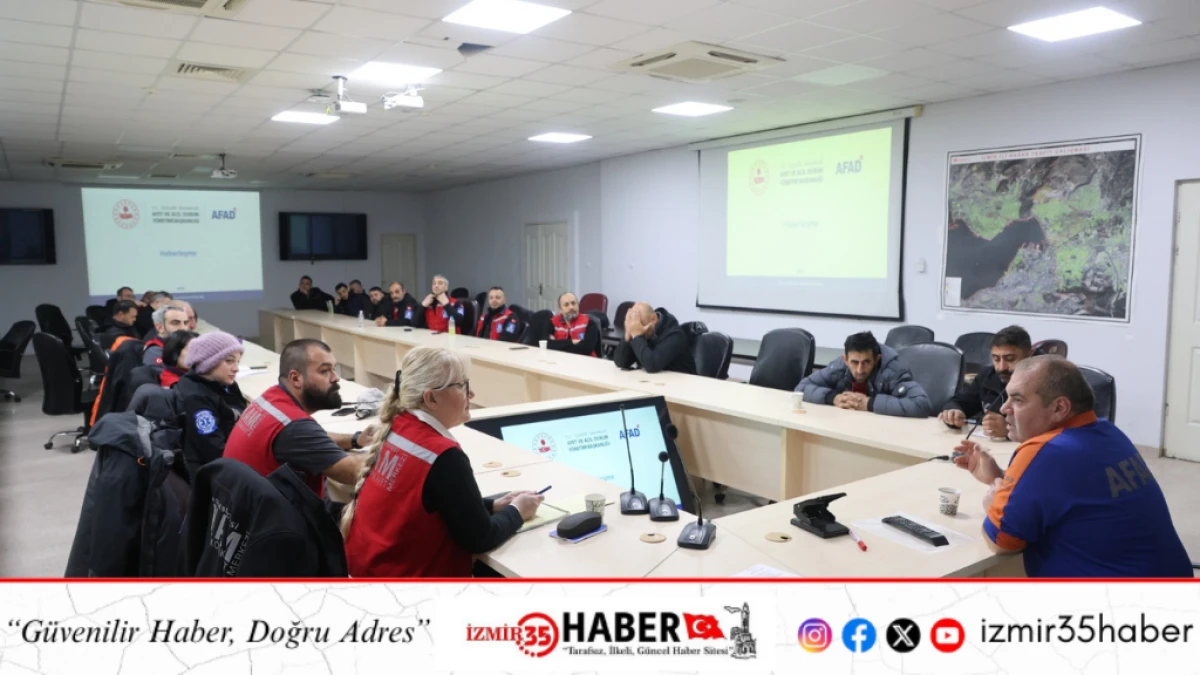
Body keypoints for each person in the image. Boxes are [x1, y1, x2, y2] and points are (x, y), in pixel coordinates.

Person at [954, 356, 1191, 577]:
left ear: (1059, 408)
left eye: (1018, 400)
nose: (1004, 408)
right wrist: (997, 477)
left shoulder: (1044, 451)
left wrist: (993, 503)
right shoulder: (1109, 432)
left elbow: (1002, 541)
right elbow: (1063, 494)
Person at [341, 346, 543, 577]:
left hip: (370, 571)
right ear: (431, 398)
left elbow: (432, 502)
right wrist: (518, 511)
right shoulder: (443, 456)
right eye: (462, 385)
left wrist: (490, 506)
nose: (471, 394)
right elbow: (480, 538)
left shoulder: (399, 426)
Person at [223, 339, 369, 498]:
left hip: (245, 506)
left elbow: (313, 438)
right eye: (325, 371)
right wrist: (387, 448)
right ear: (295, 379)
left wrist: (355, 439)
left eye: (334, 369)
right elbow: (353, 472)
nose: (336, 377)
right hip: (276, 513)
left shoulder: (271, 399)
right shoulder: (294, 427)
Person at [797, 331, 932, 418]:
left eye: (866, 362)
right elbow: (801, 387)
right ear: (845, 360)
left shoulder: (893, 370)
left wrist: (870, 403)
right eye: (854, 362)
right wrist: (833, 398)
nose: (860, 370)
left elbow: (921, 404)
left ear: (877, 359)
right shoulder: (839, 366)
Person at [175, 332, 246, 482]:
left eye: (238, 362)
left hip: (234, 454)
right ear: (208, 362)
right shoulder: (196, 397)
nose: (236, 368)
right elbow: (215, 449)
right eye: (229, 361)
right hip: (215, 474)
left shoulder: (225, 383)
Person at [939, 325, 1031, 439]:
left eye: (1010, 359)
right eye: (996, 359)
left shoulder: (1042, 381)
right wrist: (954, 411)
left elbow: (1048, 429)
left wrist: (1011, 431)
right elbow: (960, 401)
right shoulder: (988, 375)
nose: (1001, 367)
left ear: (1029, 355)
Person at [612, 302, 695, 374]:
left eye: (641, 324)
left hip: (681, 383)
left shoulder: (675, 335)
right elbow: (620, 362)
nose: (638, 328)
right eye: (635, 326)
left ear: (654, 319)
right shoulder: (639, 331)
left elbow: (652, 365)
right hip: (654, 382)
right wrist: (628, 334)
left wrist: (637, 335)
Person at [547, 292, 600, 357]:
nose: (571, 307)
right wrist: (573, 342)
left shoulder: (589, 323)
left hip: (585, 360)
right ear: (560, 309)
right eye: (566, 305)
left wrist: (558, 344)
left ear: (578, 305)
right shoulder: (553, 323)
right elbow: (547, 344)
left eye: (573, 303)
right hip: (559, 359)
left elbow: (586, 348)